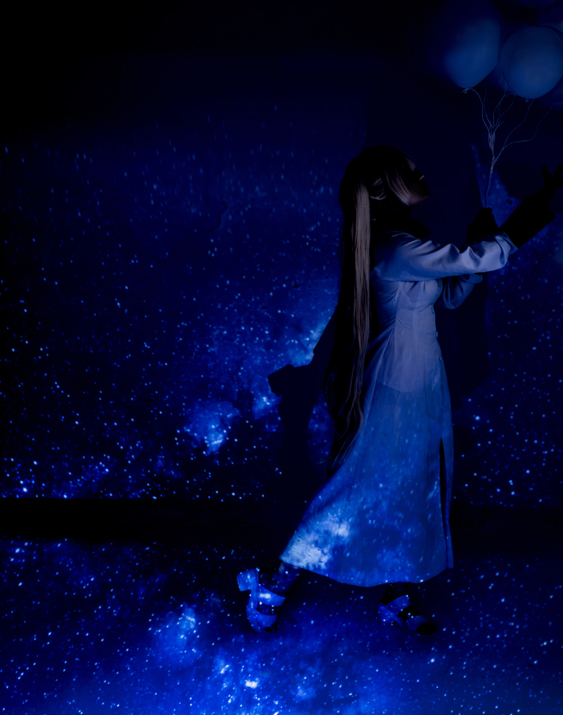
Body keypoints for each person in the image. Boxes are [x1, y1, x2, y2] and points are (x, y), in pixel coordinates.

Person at [237, 147, 562, 636]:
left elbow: (450, 293)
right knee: (355, 489)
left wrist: (479, 247)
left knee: (414, 485)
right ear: (385, 189)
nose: (421, 171)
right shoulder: (394, 248)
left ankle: (394, 591)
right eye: (409, 171)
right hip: (393, 382)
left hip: (421, 378)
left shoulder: (406, 242)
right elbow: (480, 258)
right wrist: (531, 210)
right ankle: (273, 581)